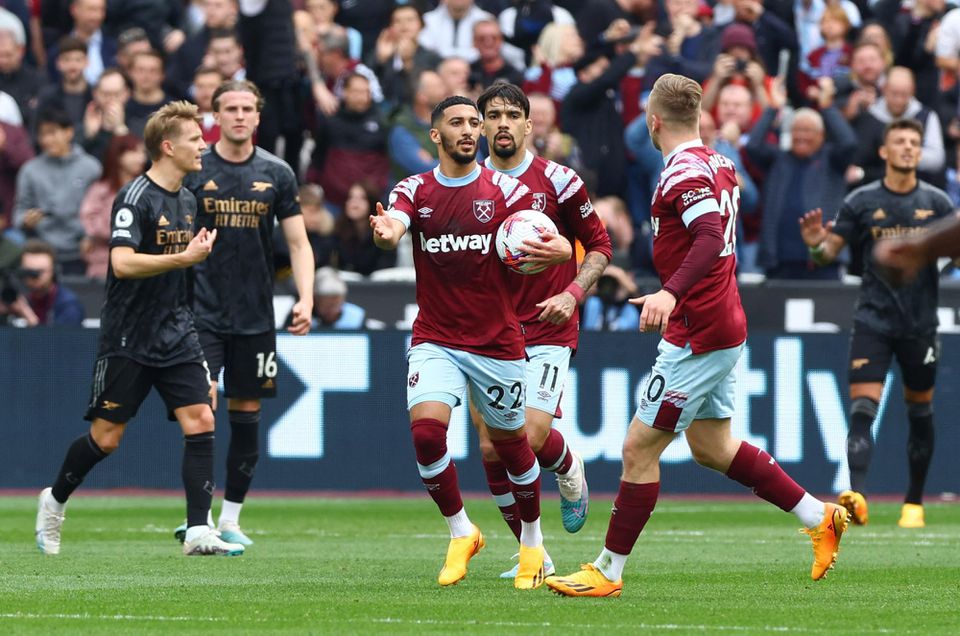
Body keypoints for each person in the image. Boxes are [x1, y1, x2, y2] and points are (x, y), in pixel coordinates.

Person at [546, 74, 849, 598]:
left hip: (700, 331)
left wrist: (671, 293)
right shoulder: (718, 161)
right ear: (700, 116)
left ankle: (608, 570)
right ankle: (820, 516)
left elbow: (709, 235)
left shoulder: (684, 171)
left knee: (638, 448)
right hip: (717, 319)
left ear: (653, 120)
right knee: (712, 446)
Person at [370, 95, 571, 589]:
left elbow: (551, 240)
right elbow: (393, 226)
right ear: (435, 136)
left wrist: (561, 250)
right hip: (435, 336)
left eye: (472, 124)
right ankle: (462, 531)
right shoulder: (414, 189)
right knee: (425, 434)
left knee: (510, 446)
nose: (468, 130)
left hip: (496, 340)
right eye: (456, 123)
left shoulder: (507, 191)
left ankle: (531, 543)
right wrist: (383, 230)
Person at [34, 100, 244, 556]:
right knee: (107, 438)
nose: (203, 146)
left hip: (176, 330)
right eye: (194, 140)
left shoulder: (188, 199)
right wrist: (183, 257)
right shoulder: (134, 197)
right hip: (128, 335)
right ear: (167, 147)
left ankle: (196, 531)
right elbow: (122, 263)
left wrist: (190, 272)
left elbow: (181, 270)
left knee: (202, 417)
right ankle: (54, 500)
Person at [475, 82, 612, 577]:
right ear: (482, 125)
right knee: (490, 445)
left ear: (530, 126)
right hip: (486, 327)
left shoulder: (560, 181)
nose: (504, 123)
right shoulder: (469, 184)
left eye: (513, 115)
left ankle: (567, 465)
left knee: (528, 437)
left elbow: (600, 247)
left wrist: (571, 291)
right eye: (494, 115)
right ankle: (536, 556)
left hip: (549, 322)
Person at [173, 80, 313, 547]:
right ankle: (200, 519)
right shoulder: (195, 169)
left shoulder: (277, 172)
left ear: (258, 116)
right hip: (200, 314)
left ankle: (230, 517)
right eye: (229, 108)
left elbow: (297, 242)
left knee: (247, 413)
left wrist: (306, 297)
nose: (238, 115)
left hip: (256, 316)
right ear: (214, 116)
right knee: (202, 409)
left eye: (246, 108)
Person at [798, 119, 954, 529]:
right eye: (899, 141)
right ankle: (858, 496)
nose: (907, 147)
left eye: (914, 142)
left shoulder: (937, 203)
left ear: (921, 152)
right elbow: (825, 256)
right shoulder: (862, 201)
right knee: (862, 410)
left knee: (920, 411)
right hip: (873, 319)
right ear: (884, 152)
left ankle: (914, 503)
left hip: (920, 323)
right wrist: (815, 241)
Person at [14, 108, 102, 276]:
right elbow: (19, 210)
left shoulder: (91, 167)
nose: (47, 140)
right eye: (42, 135)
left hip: (81, 249)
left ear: (69, 132)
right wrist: (26, 220)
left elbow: (102, 211)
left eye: (52, 133)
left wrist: (90, 236)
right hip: (42, 247)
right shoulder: (30, 170)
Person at [79, 134, 146, 280]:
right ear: (118, 155)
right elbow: (89, 220)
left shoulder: (147, 189)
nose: (141, 158)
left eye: (142, 153)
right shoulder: (100, 190)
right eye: (134, 152)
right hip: (102, 265)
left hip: (141, 264)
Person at [0, 239, 84, 326]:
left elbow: (63, 339)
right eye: (29, 272)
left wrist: (27, 314)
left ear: (53, 271)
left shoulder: (68, 305)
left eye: (40, 271)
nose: (35, 277)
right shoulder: (19, 297)